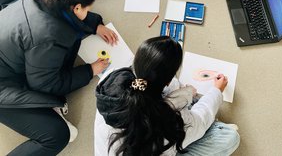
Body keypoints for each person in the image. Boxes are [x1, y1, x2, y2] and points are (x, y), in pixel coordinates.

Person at [0, 0, 118, 155]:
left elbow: (71, 19)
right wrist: (90, 70)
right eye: (88, 10)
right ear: (77, 8)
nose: (88, 12)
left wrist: (95, 25)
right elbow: (45, 85)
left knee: (71, 43)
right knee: (59, 134)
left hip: (8, 61)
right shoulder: (48, 36)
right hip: (3, 86)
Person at [95, 36, 240, 156]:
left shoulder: (109, 80)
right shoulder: (170, 121)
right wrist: (216, 90)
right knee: (230, 137)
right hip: (154, 146)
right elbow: (201, 120)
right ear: (168, 81)